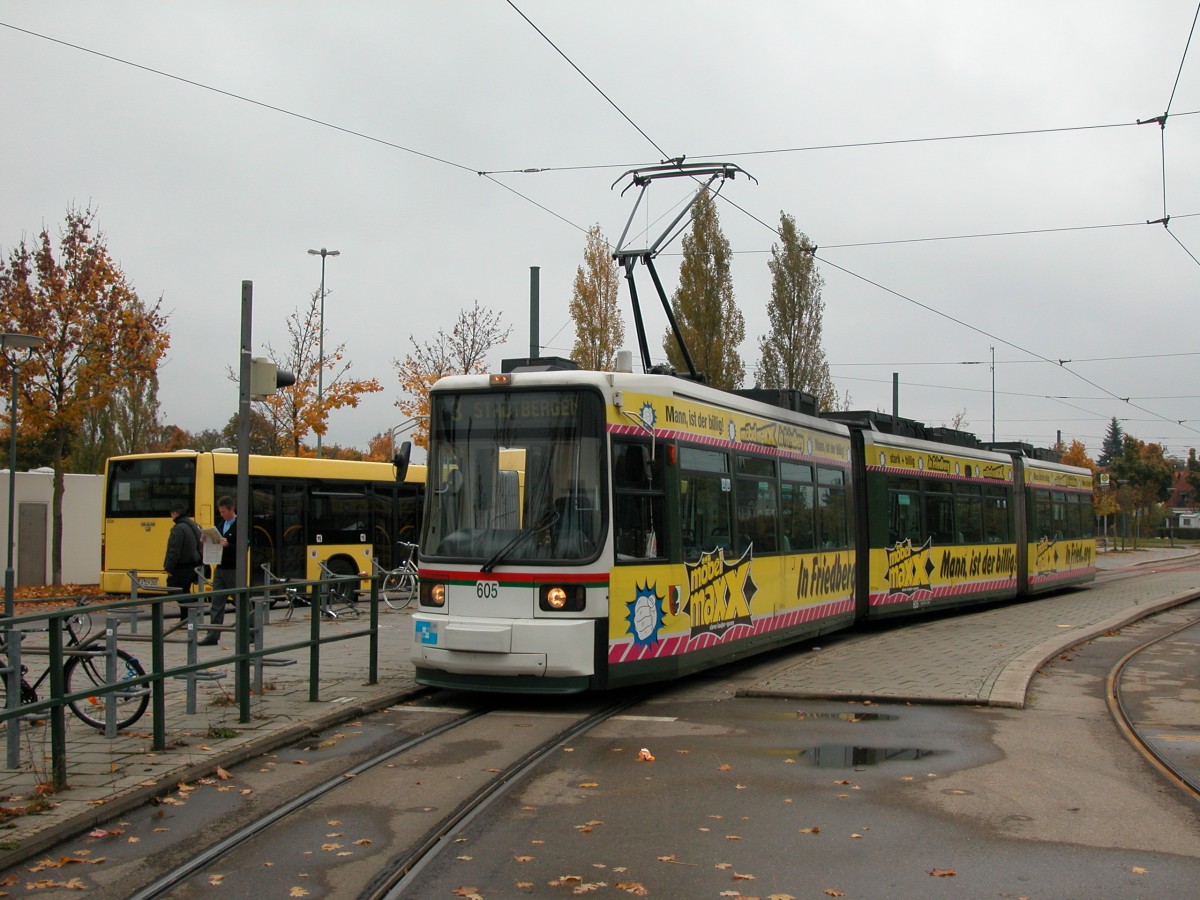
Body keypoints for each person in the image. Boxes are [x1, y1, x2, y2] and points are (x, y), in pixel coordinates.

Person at [202, 495, 238, 645]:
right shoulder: (220, 525)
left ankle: (251, 631)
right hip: (220, 566)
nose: (222, 514)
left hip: (233, 568)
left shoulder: (240, 525)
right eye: (220, 512)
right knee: (216, 602)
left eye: (224, 512)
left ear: (231, 509)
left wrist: (228, 545)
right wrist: (207, 540)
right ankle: (213, 635)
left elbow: (243, 548)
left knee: (240, 600)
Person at [163, 502, 203, 617]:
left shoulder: (178, 528)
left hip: (181, 566)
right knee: (185, 591)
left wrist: (169, 568)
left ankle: (191, 611)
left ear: (175, 514)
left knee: (174, 589)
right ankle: (186, 619)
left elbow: (174, 550)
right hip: (194, 565)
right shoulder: (195, 525)